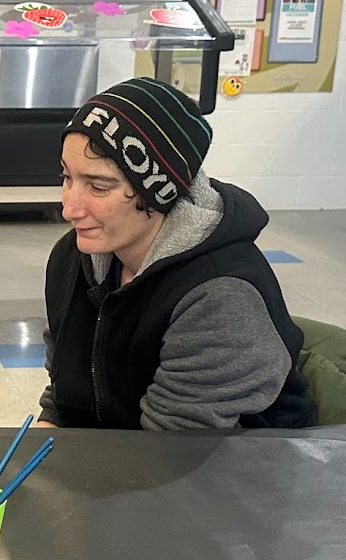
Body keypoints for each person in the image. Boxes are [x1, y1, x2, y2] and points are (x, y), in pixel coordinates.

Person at [37, 77, 317, 430]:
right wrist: (45, 438)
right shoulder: (72, 258)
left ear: (158, 191)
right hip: (129, 453)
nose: (69, 209)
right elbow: (66, 387)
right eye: (66, 177)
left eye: (98, 186)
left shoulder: (219, 296)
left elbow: (171, 454)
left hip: (231, 467)